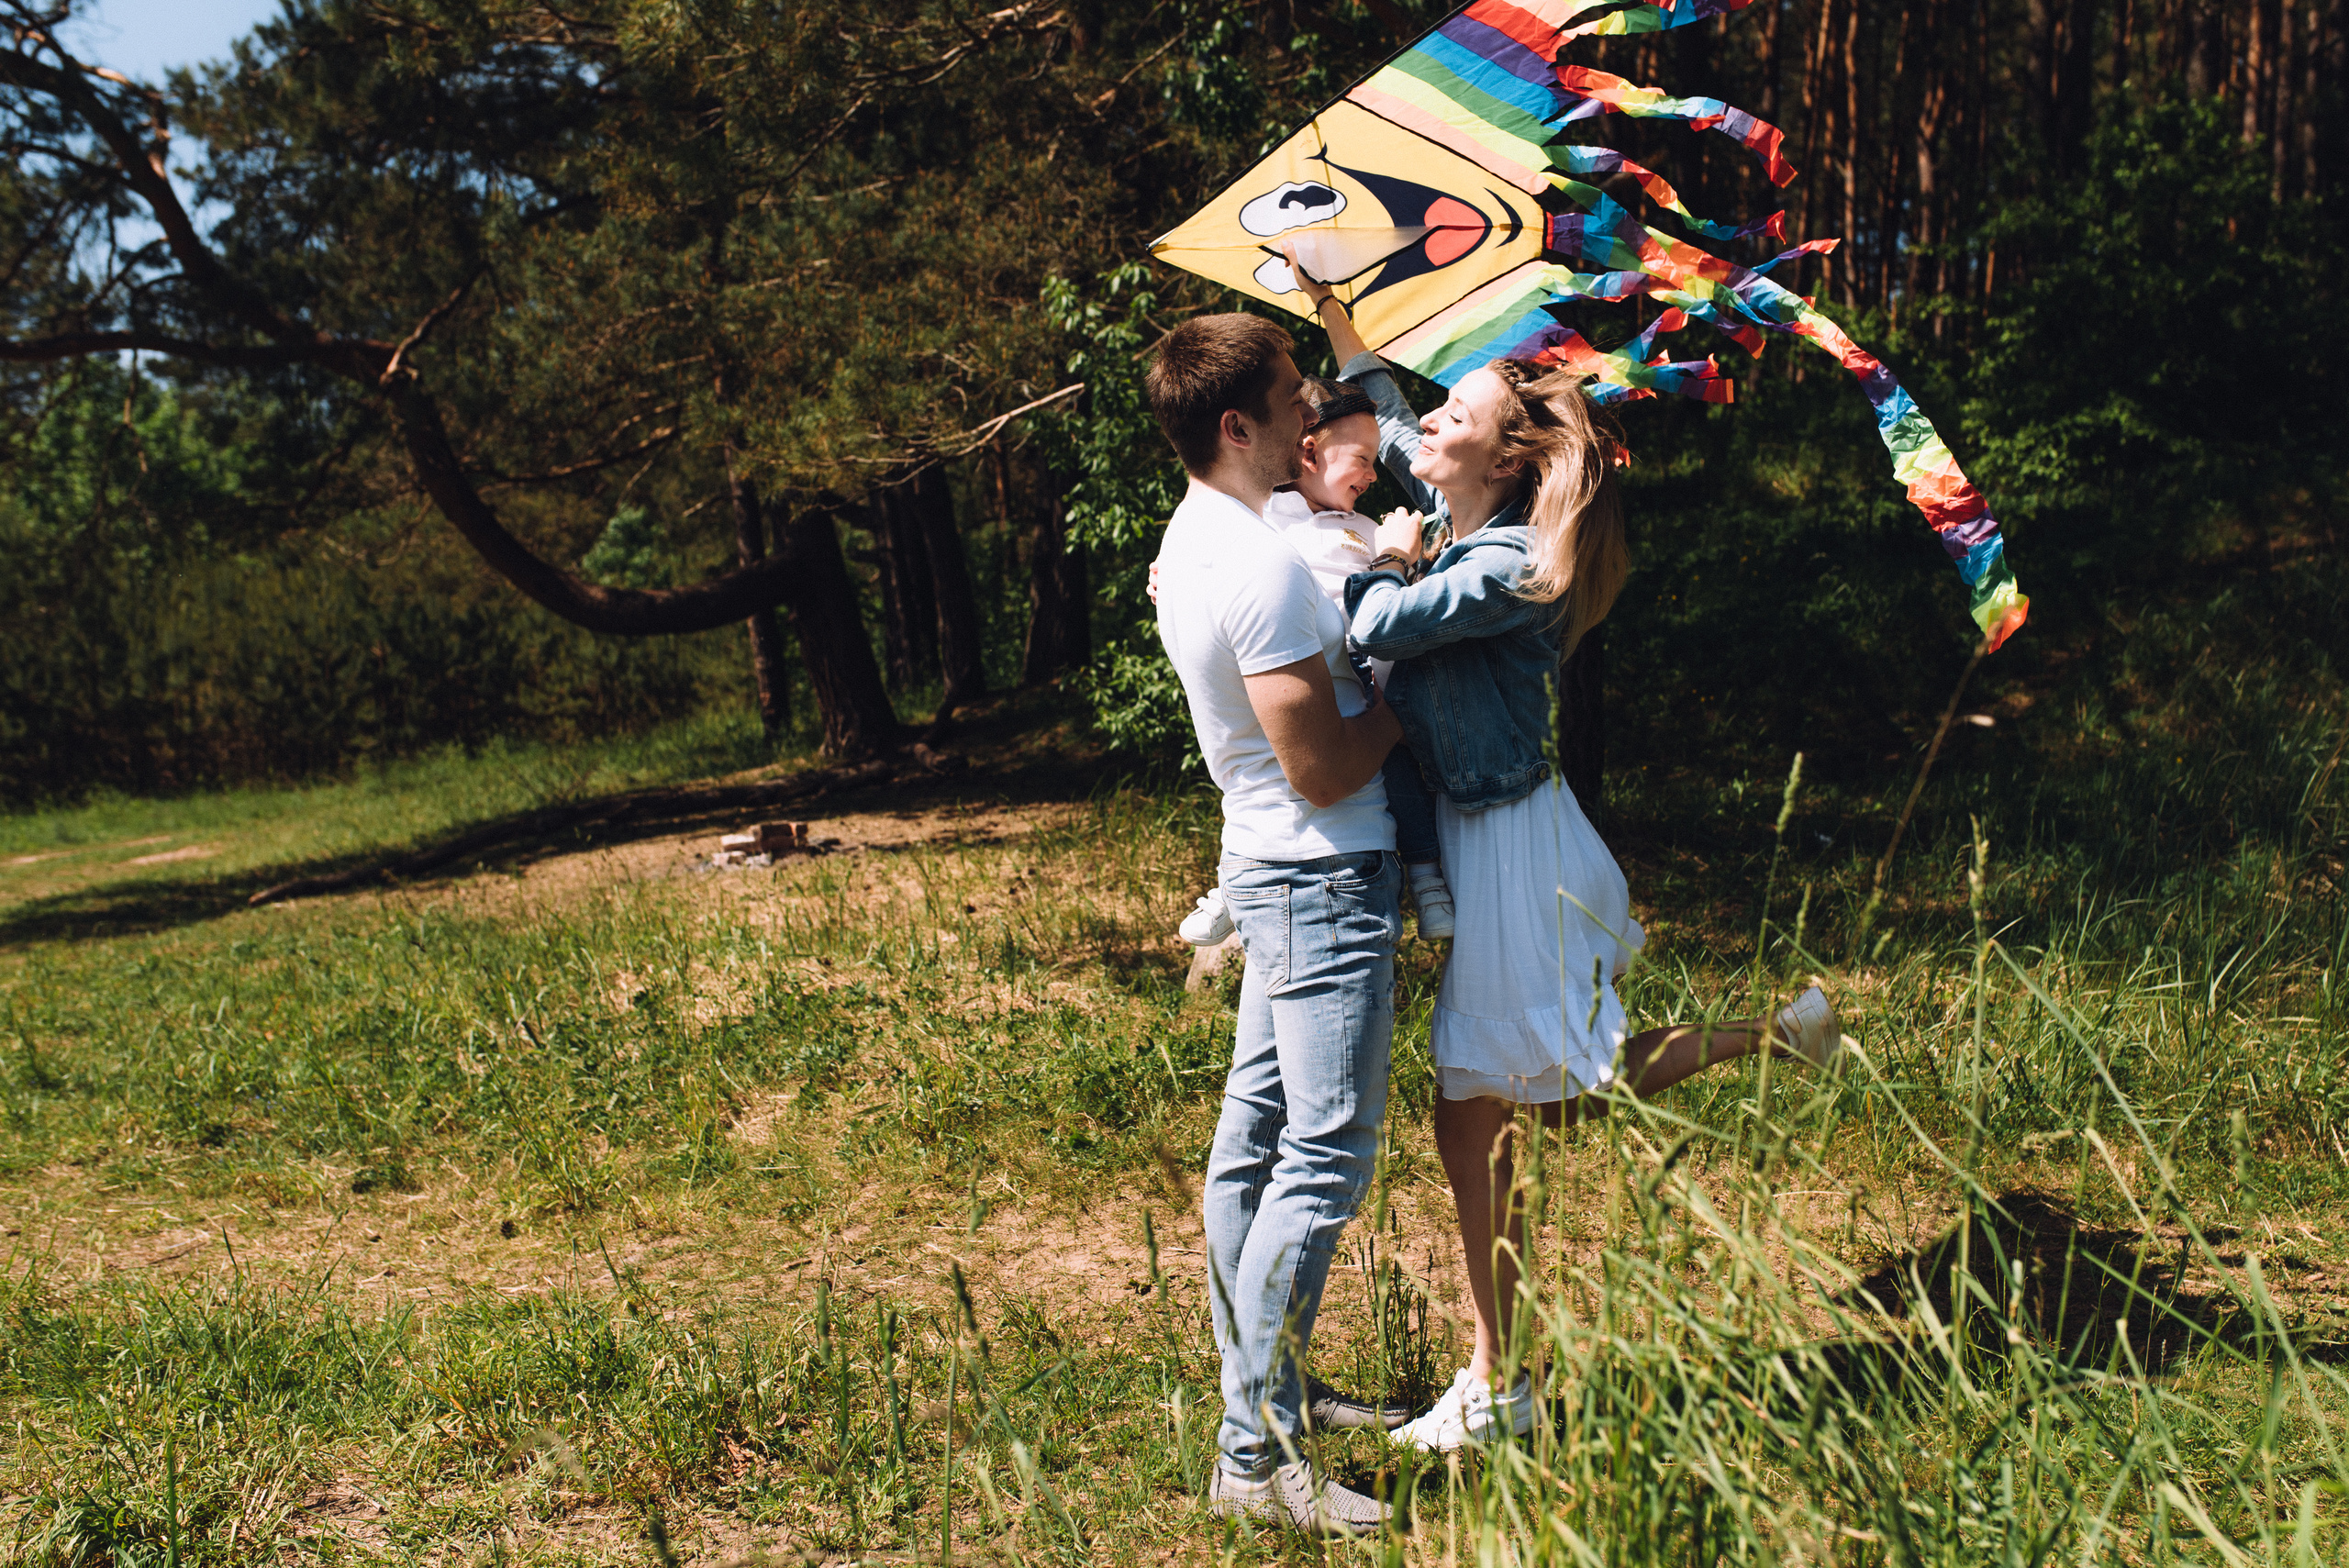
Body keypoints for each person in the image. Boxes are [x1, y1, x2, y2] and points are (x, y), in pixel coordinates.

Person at [1282, 244, 1846, 1454]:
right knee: (1530, 1101)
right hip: (1500, 843)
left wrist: (1380, 556)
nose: (1425, 423)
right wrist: (1332, 308)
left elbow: (1380, 616)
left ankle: (1501, 1381)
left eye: (1457, 416)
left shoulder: (1507, 564)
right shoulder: (1458, 511)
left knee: (1486, 1106)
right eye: (1436, 414)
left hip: (1516, 855)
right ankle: (1777, 1034)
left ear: (1512, 455)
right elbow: (1387, 417)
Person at [1145, 312, 1407, 1537]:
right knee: (1326, 1153)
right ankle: (1253, 1456)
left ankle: (1272, 1389)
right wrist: (1409, 691)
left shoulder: (1205, 535)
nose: (1319, 411)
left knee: (1251, 1144)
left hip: (1270, 868)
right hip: (1317, 871)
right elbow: (1322, 766)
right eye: (1298, 395)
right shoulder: (1252, 565)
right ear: (1237, 422)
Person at [1175, 374, 1456, 948]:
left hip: (1367, 688)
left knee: (1402, 774)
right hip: (1295, 686)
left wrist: (1401, 557)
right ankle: (1232, 885)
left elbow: (1401, 600)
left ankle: (1428, 882)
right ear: (1308, 452)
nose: (1374, 476)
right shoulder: (1264, 514)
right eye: (1364, 460)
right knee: (1268, 774)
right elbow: (1215, 561)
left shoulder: (1372, 529)